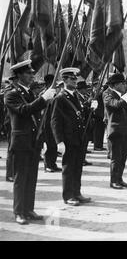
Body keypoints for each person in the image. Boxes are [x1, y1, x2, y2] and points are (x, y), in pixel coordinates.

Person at [5, 60, 56, 225]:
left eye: (32, 73)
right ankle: (19, 212)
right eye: (28, 73)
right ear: (19, 75)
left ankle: (29, 209)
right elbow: (24, 111)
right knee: (21, 179)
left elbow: (38, 117)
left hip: (34, 141)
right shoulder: (11, 94)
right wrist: (43, 99)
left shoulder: (30, 93)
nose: (32, 75)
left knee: (31, 177)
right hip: (21, 142)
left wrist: (42, 140)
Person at [51, 68, 96, 206]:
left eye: (76, 79)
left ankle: (77, 192)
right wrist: (59, 141)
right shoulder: (60, 98)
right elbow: (55, 121)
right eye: (72, 79)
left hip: (79, 138)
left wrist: (90, 108)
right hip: (69, 139)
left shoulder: (75, 96)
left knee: (77, 167)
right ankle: (68, 195)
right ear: (64, 80)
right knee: (69, 167)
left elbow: (79, 116)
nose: (75, 81)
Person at [103, 73, 127, 189]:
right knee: (116, 157)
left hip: (124, 129)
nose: (125, 85)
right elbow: (115, 105)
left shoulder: (122, 94)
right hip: (114, 130)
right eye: (123, 83)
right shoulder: (107, 94)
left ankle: (119, 178)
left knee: (123, 156)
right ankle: (114, 180)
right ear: (115, 85)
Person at [76, 80, 93, 166]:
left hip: (87, 121)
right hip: (82, 122)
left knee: (85, 142)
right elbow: (81, 108)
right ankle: (80, 159)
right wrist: (88, 103)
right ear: (80, 89)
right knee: (82, 143)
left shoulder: (84, 96)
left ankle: (83, 158)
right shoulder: (78, 97)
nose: (86, 90)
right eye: (85, 88)